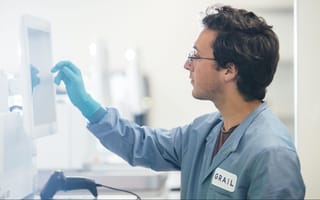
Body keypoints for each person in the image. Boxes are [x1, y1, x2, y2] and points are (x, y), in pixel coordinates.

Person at [51, 4, 305, 199]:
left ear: (229, 70)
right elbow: (143, 145)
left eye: (195, 56)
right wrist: (88, 106)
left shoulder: (271, 153)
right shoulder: (204, 132)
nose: (187, 65)